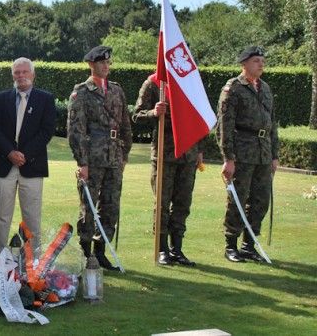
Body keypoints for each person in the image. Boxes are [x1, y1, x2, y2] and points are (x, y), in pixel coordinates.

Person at [67, 45, 132, 271]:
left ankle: (101, 251)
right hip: (92, 156)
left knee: (111, 205)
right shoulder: (82, 92)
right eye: (102, 62)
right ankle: (86, 254)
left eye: (108, 62)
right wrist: (82, 162)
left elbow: (125, 124)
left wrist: (125, 154)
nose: (106, 66)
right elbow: (75, 129)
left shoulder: (116, 90)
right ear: (91, 65)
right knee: (89, 205)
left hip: (114, 156)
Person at [132, 74, 202, 266]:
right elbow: (137, 114)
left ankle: (177, 249)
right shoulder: (154, 84)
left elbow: (199, 117)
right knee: (162, 203)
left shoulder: (190, 83)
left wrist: (200, 150)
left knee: (183, 203)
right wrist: (154, 113)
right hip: (165, 152)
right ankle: (162, 248)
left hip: (188, 153)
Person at [218, 46, 278, 263]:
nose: (261, 64)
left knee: (261, 200)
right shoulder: (233, 88)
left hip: (263, 151)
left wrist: (274, 155)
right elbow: (225, 125)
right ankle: (231, 245)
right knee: (238, 198)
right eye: (256, 61)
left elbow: (272, 124)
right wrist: (228, 158)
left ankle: (249, 244)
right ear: (244, 64)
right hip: (242, 152)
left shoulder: (266, 88)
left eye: (262, 60)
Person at [0, 57, 56, 253]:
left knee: (32, 216)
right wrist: (10, 152)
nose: (21, 76)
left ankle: (34, 258)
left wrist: (23, 154)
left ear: (33, 74)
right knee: (1, 215)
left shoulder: (45, 99)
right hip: (5, 164)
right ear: (12, 75)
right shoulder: (2, 98)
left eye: (25, 72)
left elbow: (47, 131)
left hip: (32, 165)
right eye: (17, 72)